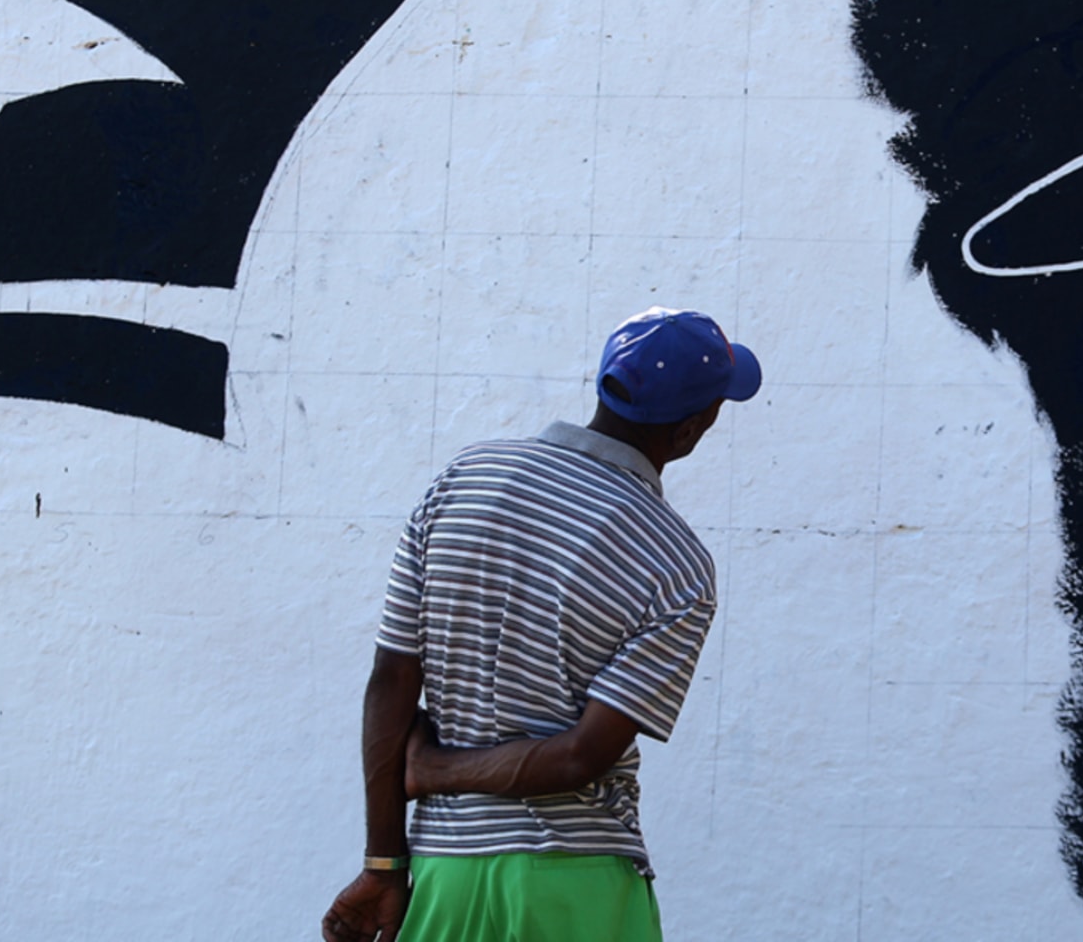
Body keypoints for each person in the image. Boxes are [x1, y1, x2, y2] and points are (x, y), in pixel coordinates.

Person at [321, 307, 761, 942]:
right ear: (693, 428)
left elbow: (390, 680)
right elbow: (583, 754)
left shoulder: (462, 480)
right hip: (577, 884)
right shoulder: (677, 563)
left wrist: (385, 865)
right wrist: (431, 769)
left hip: (445, 876)